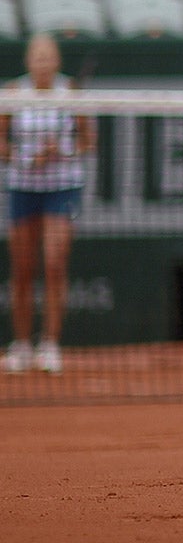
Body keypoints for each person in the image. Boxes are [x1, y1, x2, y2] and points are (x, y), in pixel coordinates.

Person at [3, 34, 94, 375]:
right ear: (28, 61)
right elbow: (0, 143)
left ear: (56, 61)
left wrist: (63, 151)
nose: (42, 61)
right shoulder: (13, 93)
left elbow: (88, 141)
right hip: (23, 187)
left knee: (54, 263)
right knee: (23, 268)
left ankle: (50, 345)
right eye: (36, 56)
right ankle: (22, 345)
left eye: (48, 56)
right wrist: (26, 157)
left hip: (61, 187)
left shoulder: (71, 92)